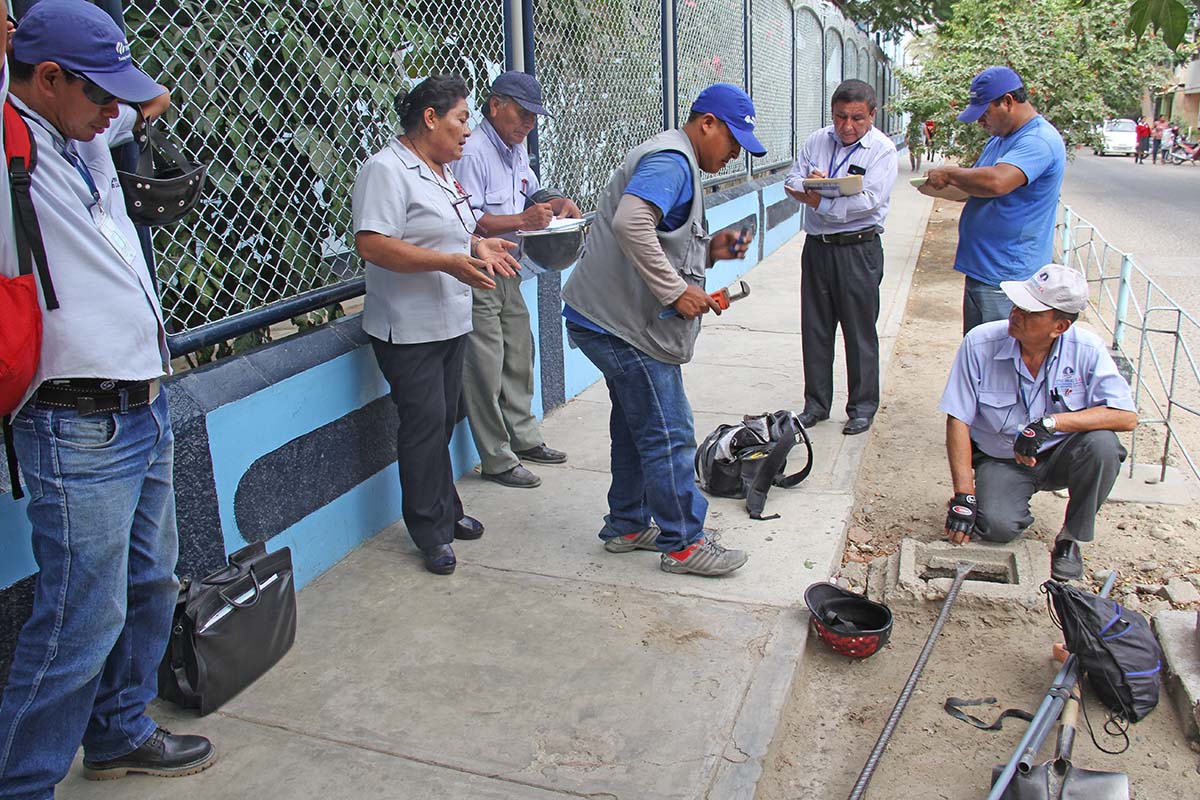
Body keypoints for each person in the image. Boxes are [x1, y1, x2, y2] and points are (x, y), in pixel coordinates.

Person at [0, 0, 216, 792]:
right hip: (73, 420)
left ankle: (120, 729)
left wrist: (122, 90)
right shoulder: (9, 138)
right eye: (100, 95)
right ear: (47, 78)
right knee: (77, 623)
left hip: (142, 403)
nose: (113, 113)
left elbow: (137, 108)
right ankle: (21, 781)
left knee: (151, 585)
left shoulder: (84, 134)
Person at [560, 83, 760, 576]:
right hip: (619, 326)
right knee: (668, 431)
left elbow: (656, 235)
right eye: (732, 141)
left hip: (603, 317)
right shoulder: (672, 161)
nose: (735, 154)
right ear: (706, 123)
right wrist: (675, 292)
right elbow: (632, 224)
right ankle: (685, 543)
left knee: (636, 424)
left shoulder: (675, 160)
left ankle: (627, 524)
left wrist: (709, 251)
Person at [352, 74, 521, 575]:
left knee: (444, 419)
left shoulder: (441, 171)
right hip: (408, 326)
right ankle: (428, 530)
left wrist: (476, 247)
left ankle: (447, 512)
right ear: (430, 119)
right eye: (462, 119)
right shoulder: (386, 170)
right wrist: (448, 262)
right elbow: (372, 244)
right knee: (424, 426)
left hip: (450, 318)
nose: (468, 131)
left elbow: (453, 232)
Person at [939, 265, 1137, 581]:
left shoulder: (1087, 349)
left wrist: (1050, 423)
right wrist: (964, 495)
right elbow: (958, 418)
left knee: (1103, 446)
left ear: (1059, 326)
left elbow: (1125, 416)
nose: (1015, 314)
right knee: (997, 527)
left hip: (1062, 456)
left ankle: (1070, 540)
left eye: (1030, 312)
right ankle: (1003, 501)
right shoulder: (979, 343)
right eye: (1017, 304)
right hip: (1003, 459)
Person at [454, 71, 579, 489]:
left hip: (511, 266)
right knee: (485, 366)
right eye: (522, 114)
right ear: (495, 106)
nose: (528, 124)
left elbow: (531, 195)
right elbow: (465, 218)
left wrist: (555, 203)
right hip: (479, 268)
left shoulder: (514, 148)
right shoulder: (472, 152)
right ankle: (497, 458)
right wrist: (521, 220)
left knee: (519, 354)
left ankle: (524, 439)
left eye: (533, 117)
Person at [784, 79, 898, 436]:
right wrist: (810, 186)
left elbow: (868, 202)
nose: (847, 126)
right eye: (840, 117)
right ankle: (816, 404)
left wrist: (821, 199)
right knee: (815, 328)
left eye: (857, 119)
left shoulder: (881, 150)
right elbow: (791, 181)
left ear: (872, 115)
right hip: (818, 248)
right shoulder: (816, 141)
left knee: (859, 330)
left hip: (858, 249)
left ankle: (862, 407)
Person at [924, 67, 1066, 335]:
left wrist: (951, 173)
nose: (980, 122)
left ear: (1008, 102)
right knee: (979, 358)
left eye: (985, 113)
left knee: (1001, 361)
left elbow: (997, 182)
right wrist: (945, 186)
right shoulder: (1000, 140)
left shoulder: (1038, 140)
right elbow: (979, 186)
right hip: (982, 271)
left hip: (1007, 278)